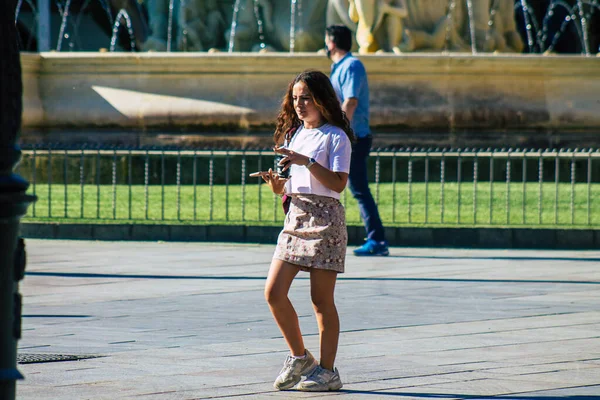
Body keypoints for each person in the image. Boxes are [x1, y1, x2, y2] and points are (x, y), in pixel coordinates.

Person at [253, 70, 354, 391]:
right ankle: (300, 357)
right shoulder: (295, 135)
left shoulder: (335, 136)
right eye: (295, 98)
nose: (299, 104)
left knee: (321, 300)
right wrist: (278, 185)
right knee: (273, 292)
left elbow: (338, 183)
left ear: (322, 99)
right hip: (296, 216)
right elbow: (297, 183)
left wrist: (306, 160)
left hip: (325, 220)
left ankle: (327, 371)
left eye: (306, 98)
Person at [325, 24, 390, 257]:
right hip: (349, 136)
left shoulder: (352, 66)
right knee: (348, 187)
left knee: (358, 188)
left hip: (354, 138)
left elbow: (350, 101)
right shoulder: (341, 67)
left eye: (326, 41)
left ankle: (377, 240)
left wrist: (339, 132)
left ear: (332, 42)